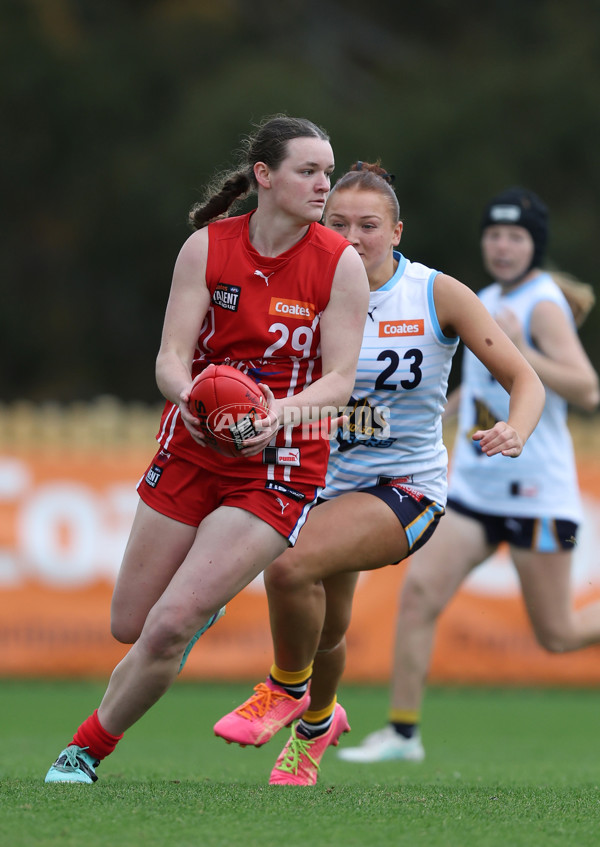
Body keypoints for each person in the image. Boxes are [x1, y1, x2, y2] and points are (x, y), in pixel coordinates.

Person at [44, 114, 371, 784]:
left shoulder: (338, 262)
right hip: (194, 444)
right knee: (131, 623)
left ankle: (84, 751)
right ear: (264, 176)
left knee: (169, 625)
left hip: (280, 457)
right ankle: (205, 597)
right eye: (308, 171)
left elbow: (339, 380)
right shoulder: (206, 249)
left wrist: (275, 414)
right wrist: (192, 398)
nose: (322, 185)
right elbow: (170, 358)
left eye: (327, 172)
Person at [212, 168, 546, 785]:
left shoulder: (435, 293)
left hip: (405, 488)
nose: (353, 237)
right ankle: (316, 731)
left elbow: (526, 380)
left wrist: (516, 429)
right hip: (314, 480)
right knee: (327, 632)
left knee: (287, 566)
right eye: (337, 224)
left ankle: (285, 691)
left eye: (368, 226)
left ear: (396, 231)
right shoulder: (300, 286)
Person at [337, 187, 600, 764]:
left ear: (536, 246)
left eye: (516, 237)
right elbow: (477, 388)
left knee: (556, 635)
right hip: (476, 490)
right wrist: (447, 408)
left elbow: (587, 389)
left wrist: (523, 342)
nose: (502, 247)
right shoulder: (480, 297)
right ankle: (403, 735)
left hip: (537, 494)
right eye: (494, 235)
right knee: (420, 595)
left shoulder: (542, 303)